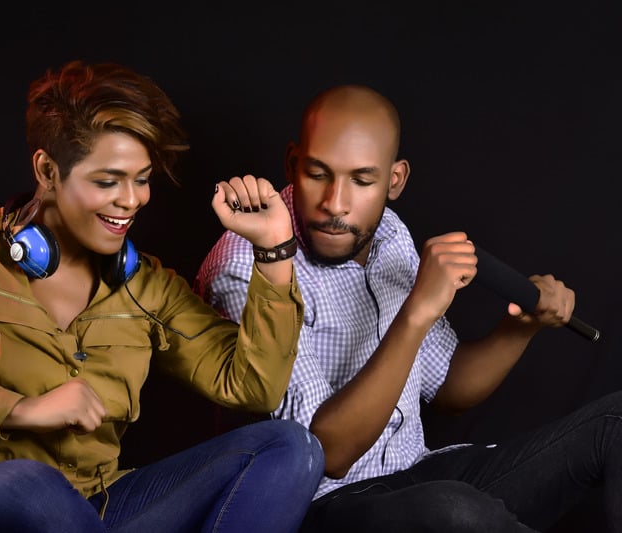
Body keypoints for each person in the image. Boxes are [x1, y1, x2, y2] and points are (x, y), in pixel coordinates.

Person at [0, 59, 325, 533]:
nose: (131, 201)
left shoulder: (146, 285)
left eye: (142, 179)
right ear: (48, 172)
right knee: (31, 484)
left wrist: (275, 251)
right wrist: (18, 409)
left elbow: (251, 387)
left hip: (92, 510)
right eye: (108, 181)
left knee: (289, 447)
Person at [194, 84, 621, 532]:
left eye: (362, 180)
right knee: (455, 510)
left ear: (394, 180)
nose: (335, 204)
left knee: (616, 419)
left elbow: (450, 387)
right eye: (318, 174)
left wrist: (522, 327)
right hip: (312, 510)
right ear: (292, 163)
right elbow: (327, 455)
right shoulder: (247, 267)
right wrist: (418, 310)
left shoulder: (388, 235)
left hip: (414, 479)